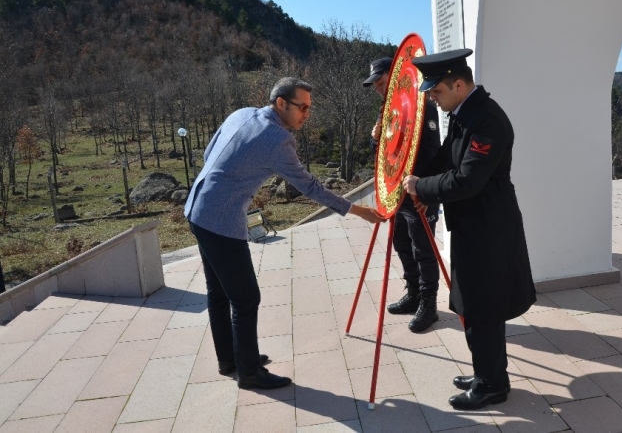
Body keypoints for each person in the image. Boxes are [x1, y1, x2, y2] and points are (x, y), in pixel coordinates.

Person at [185, 77, 384, 390]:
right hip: (220, 221)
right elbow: (309, 186)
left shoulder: (243, 113)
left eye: (309, 108)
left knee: (219, 292)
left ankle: (231, 360)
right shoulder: (277, 139)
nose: (307, 114)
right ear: (281, 104)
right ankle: (249, 373)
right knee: (246, 298)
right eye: (302, 107)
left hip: (197, 208)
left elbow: (211, 150)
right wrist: (359, 211)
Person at [402, 49, 536, 410]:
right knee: (475, 305)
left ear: (458, 84)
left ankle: (491, 384)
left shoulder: (487, 121)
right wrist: (413, 175)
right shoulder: (464, 113)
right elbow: (446, 159)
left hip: (489, 228)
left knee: (484, 308)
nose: (432, 98)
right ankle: (488, 372)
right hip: (472, 225)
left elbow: (467, 180)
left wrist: (422, 188)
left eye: (436, 92)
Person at [363, 57, 442, 333]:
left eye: (381, 83)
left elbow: (434, 152)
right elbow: (385, 155)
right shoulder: (387, 111)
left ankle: (429, 304)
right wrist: (375, 139)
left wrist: (424, 188)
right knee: (401, 243)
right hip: (397, 191)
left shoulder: (424, 106)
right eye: (374, 85)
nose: (378, 89)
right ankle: (415, 293)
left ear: (394, 78)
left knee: (424, 248)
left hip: (419, 190)